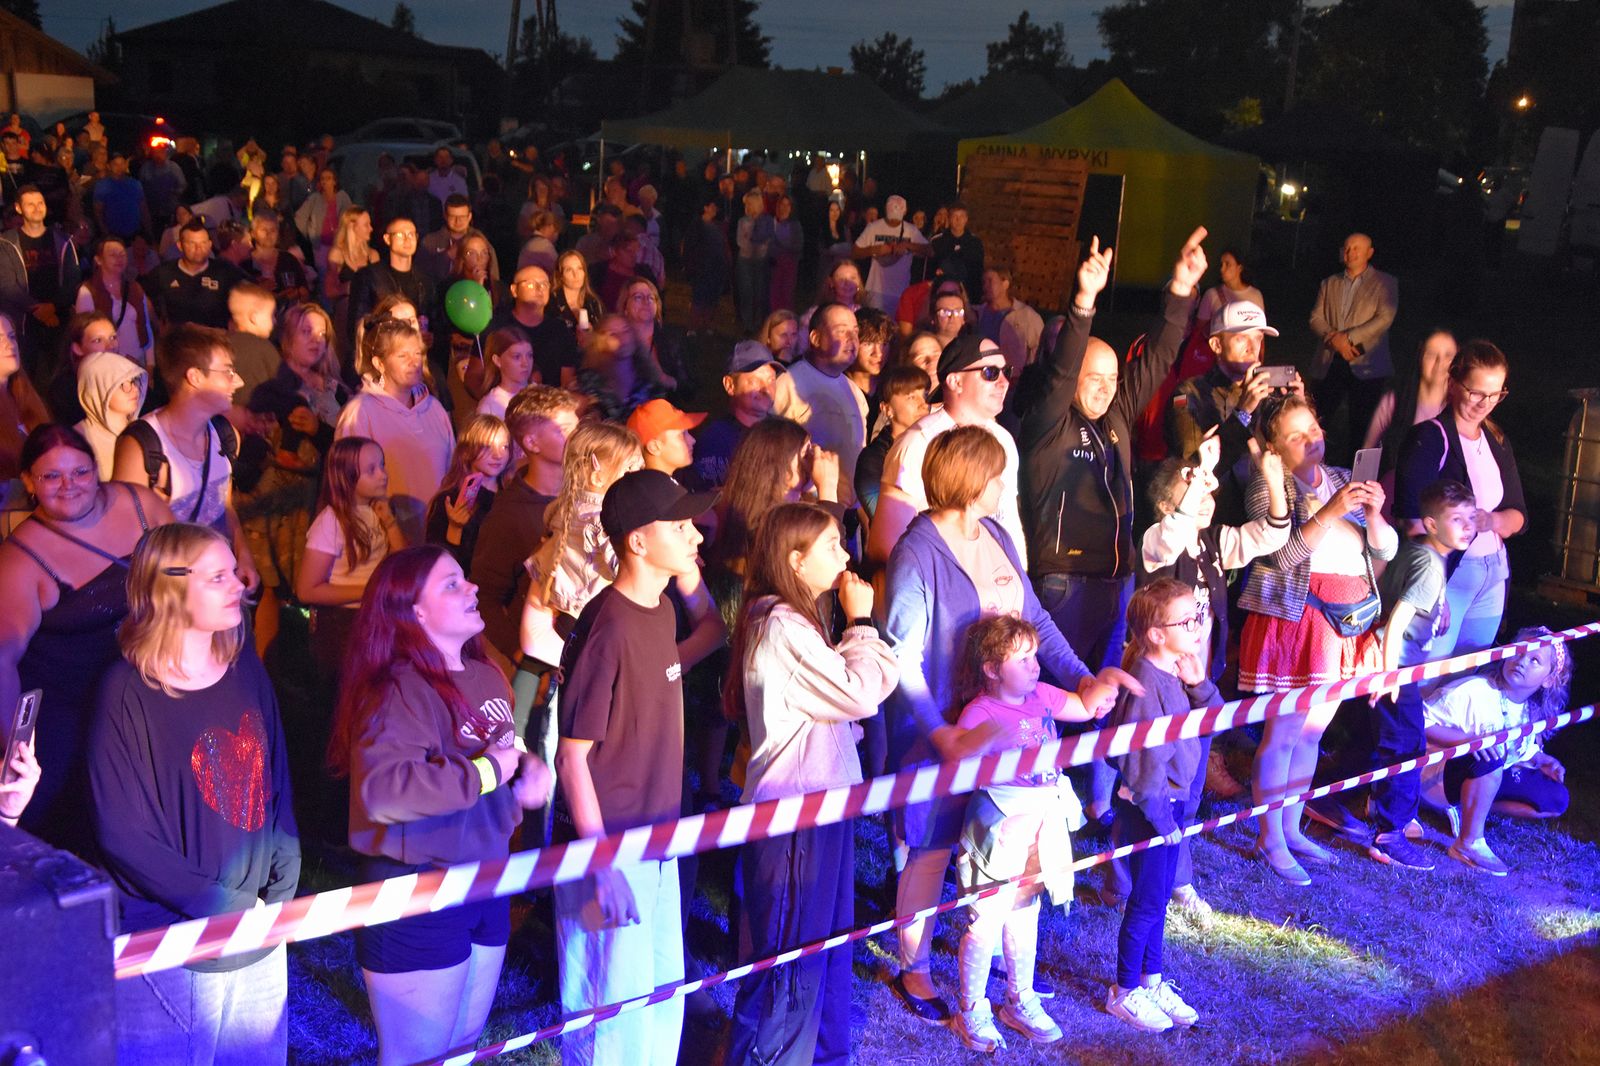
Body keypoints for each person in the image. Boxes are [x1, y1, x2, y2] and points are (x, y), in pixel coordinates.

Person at [882, 427, 1117, 1022]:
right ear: (970, 483)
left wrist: (1082, 678)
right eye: (995, 476)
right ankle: (915, 969)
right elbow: (901, 657)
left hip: (1007, 735)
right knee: (932, 847)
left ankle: (1003, 974)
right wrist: (941, 734)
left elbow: (1035, 618)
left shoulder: (997, 535)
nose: (1004, 486)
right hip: (944, 734)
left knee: (1008, 850)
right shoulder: (916, 553)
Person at [328, 546, 552, 1066]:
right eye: (451, 584)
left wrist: (525, 768)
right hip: (419, 889)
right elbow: (385, 791)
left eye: (465, 578)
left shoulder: (487, 672)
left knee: (460, 1050)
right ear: (414, 612)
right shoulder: (398, 689)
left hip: (487, 879)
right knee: (417, 1058)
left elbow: (499, 746)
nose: (472, 588)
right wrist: (490, 772)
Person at [89, 522, 300, 1064]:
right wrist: (223, 905)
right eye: (217, 577)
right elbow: (124, 835)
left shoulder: (243, 667)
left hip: (256, 928)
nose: (239, 585)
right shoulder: (125, 692)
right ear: (169, 587)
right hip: (173, 941)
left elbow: (274, 772)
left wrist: (284, 868)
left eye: (234, 572)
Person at [1019, 231, 1205, 826]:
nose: (1103, 388)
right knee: (1059, 693)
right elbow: (1061, 371)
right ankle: (1040, 799)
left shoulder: (1117, 416)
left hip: (1117, 582)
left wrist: (1180, 293)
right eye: (1091, 377)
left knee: (1113, 690)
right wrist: (1084, 304)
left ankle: (1100, 799)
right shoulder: (1048, 424)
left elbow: (1159, 358)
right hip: (1064, 584)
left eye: (1109, 379)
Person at [725, 503, 898, 1066]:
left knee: (823, 950)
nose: (846, 555)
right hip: (796, 818)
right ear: (795, 561)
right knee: (790, 965)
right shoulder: (781, 625)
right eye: (831, 546)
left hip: (822, 808)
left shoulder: (796, 619)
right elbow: (860, 692)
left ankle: (824, 1056)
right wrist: (862, 625)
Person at [553, 470, 712, 1065]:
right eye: (680, 525)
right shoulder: (611, 626)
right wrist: (602, 863)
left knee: (661, 992)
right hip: (614, 845)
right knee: (610, 1011)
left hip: (658, 839)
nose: (696, 535)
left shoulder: (663, 609)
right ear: (638, 542)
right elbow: (571, 756)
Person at [1119, 435, 1289, 909]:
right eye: (1193, 487)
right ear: (1166, 504)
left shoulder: (1214, 543)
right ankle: (1129, 873)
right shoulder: (1156, 541)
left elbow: (1271, 534)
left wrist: (1273, 481)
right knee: (1148, 780)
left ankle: (1176, 876)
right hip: (1158, 683)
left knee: (1190, 781)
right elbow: (1173, 533)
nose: (1206, 493)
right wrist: (1198, 475)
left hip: (1195, 680)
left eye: (1209, 488)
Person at [1236, 393, 1398, 885]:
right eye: (1295, 435)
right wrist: (1330, 511)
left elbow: (1385, 550)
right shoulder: (1271, 485)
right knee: (1284, 732)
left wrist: (1375, 514)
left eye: (1313, 428)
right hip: (1297, 616)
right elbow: (1280, 555)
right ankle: (1269, 837)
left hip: (1342, 621)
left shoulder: (1343, 478)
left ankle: (1291, 827)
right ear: (1274, 447)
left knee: (1313, 732)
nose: (1310, 440)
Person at [0, 425, 172, 853]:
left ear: (97, 469)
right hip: (67, 705)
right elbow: (2, 656)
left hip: (145, 686)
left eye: (79, 471)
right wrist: (12, 744)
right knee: (59, 822)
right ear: (29, 483)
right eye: (51, 476)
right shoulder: (22, 558)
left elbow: (189, 566)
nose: (69, 485)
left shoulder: (141, 503)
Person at [950, 616, 1099, 1050]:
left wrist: (1106, 682)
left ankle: (1019, 999)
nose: (1035, 666)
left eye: (1035, 656)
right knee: (986, 919)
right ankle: (971, 1010)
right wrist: (973, 743)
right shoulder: (979, 712)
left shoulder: (1043, 694)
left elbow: (1085, 707)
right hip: (1000, 826)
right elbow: (959, 761)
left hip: (1041, 825)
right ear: (992, 669)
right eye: (1023, 659)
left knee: (1024, 911)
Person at [1313, 479, 1478, 868]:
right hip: (1396, 669)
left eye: (1471, 518)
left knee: (1373, 742)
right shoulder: (1429, 565)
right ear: (1432, 524)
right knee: (1408, 750)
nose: (1468, 527)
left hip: (1382, 662)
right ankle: (1391, 835)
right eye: (1457, 519)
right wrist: (1389, 678)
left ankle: (1322, 797)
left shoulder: (1419, 549)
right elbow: (1399, 620)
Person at [1103, 578, 1213, 1034]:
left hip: (1170, 805)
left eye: (1198, 616)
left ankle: (1152, 981)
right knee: (1146, 902)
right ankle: (1125, 990)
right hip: (1151, 810)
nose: (1197, 626)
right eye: (1187, 621)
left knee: (1160, 898)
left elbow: (1210, 722)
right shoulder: (1147, 687)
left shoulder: (1173, 672)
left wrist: (1199, 685)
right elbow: (1142, 768)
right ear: (1155, 634)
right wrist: (1164, 820)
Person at [1394, 340, 1524, 659]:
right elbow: (1411, 519)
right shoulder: (1429, 437)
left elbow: (1519, 515)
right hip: (1449, 573)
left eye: (1495, 394)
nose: (1485, 403)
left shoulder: (1496, 439)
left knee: (1470, 667)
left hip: (1492, 573)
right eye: (1476, 392)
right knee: (1430, 671)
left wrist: (1492, 520)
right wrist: (1434, 588)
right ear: (1453, 383)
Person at [114, 324, 259, 590]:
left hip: (216, 579)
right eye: (228, 371)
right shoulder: (143, 445)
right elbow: (126, 534)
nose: (238, 381)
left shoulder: (226, 435)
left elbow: (223, 504)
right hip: (168, 588)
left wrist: (243, 554)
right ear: (195, 377)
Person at [1423, 629, 1572, 875]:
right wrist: (1468, 741)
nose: (1521, 661)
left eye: (1534, 660)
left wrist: (1539, 758)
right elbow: (1418, 723)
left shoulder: (1528, 710)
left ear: (1548, 679)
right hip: (1434, 780)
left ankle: (1469, 809)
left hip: (1481, 775)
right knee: (1490, 750)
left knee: (1555, 798)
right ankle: (1469, 844)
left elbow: (1519, 749)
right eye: (1519, 651)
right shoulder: (1473, 690)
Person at [868, 334, 1023, 566]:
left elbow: (1008, 522)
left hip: (995, 582)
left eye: (1006, 372)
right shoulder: (919, 442)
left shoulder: (1003, 440)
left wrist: (1019, 577)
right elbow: (885, 545)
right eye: (990, 373)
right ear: (955, 381)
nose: (1004, 382)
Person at [468, 385, 579, 677]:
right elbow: (485, 598)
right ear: (532, 442)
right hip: (547, 667)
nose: (577, 437)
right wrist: (521, 656)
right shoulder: (509, 515)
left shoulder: (585, 492)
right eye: (564, 430)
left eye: (577, 426)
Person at [335, 317, 454, 545]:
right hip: (388, 540)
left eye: (417, 353)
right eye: (402, 356)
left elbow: (451, 469)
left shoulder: (434, 408)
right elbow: (349, 482)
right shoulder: (360, 412)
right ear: (379, 364)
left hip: (436, 538)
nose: (414, 362)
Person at [1308, 232, 1399, 462]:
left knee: (1362, 425)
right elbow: (1316, 318)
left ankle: (1356, 470)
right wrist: (1334, 340)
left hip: (1366, 363)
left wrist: (1347, 339)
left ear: (1369, 252)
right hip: (1331, 361)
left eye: (1357, 248)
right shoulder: (1329, 283)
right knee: (1319, 417)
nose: (1351, 253)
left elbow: (1384, 318)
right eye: (1347, 248)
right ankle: (1313, 463)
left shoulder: (1385, 282)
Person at [773, 302, 867, 506]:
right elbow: (772, 451)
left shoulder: (855, 393)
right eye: (841, 331)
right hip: (807, 509)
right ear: (815, 338)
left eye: (855, 331)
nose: (852, 338)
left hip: (847, 511)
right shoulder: (790, 384)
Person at [1, 186, 83, 375]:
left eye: (40, 203)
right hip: (24, 324)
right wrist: (39, 310)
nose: (37, 208)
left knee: (59, 375)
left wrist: (52, 307)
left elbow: (72, 281)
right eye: (30, 204)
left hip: (58, 322)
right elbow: (7, 285)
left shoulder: (64, 240)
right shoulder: (6, 243)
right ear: (19, 208)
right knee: (26, 378)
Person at [685, 339, 783, 491]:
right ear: (730, 385)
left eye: (771, 380)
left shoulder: (784, 432)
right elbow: (711, 497)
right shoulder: (716, 439)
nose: (766, 389)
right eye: (755, 381)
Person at [425, 414, 510, 568]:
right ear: (465, 451)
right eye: (486, 446)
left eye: (504, 446)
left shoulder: (511, 494)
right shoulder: (450, 499)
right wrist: (455, 528)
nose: (498, 455)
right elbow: (438, 562)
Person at [346, 217, 437, 360]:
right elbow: (357, 324)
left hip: (416, 356)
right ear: (387, 239)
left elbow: (432, 318)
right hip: (381, 355)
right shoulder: (369, 276)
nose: (407, 239)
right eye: (400, 235)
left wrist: (431, 336)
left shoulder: (425, 281)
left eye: (411, 234)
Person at [854, 364, 930, 522]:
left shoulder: (936, 444)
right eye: (911, 397)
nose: (923, 403)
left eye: (925, 395)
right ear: (887, 409)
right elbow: (883, 517)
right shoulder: (873, 458)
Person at [141, 218, 243, 330]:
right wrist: (156, 323)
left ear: (210, 244)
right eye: (191, 243)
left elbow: (248, 292)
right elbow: (141, 294)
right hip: (180, 338)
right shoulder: (164, 272)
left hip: (216, 337)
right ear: (180, 246)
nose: (198, 248)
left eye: (203, 243)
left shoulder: (224, 270)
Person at [492, 264, 580, 390]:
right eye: (530, 284)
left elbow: (567, 382)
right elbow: (475, 376)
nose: (539, 289)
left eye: (544, 284)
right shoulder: (498, 326)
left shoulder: (560, 330)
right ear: (514, 290)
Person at [75, 235, 156, 370]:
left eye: (122, 254)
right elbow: (83, 335)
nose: (119, 259)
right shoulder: (88, 292)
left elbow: (145, 325)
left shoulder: (134, 288)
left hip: (138, 362)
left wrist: (151, 363)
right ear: (98, 260)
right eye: (112, 255)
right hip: (106, 365)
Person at [75, 352, 148, 478]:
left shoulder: (145, 428)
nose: (135, 389)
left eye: (133, 381)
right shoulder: (79, 439)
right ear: (98, 390)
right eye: (122, 384)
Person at [854, 195, 929, 313]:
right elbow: (854, 252)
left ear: (904, 212)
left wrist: (907, 245)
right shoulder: (874, 227)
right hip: (876, 290)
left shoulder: (911, 230)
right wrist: (874, 250)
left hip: (901, 291)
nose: (894, 221)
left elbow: (929, 250)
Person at [325, 207, 381, 356]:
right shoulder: (337, 254)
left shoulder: (373, 256)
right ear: (352, 227)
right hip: (345, 312)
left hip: (368, 313)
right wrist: (350, 288)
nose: (371, 228)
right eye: (366, 224)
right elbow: (329, 291)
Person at [44, 310, 116, 425]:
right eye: (98, 340)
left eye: (113, 337)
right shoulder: (64, 390)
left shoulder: (127, 378)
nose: (111, 346)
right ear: (77, 348)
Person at [975, 268, 1042, 378]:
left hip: (1015, 380)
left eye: (990, 281)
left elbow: (1039, 347)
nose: (985, 286)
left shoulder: (1026, 315)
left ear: (1005, 284)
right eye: (984, 282)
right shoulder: (979, 314)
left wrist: (1026, 375)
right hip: (985, 378)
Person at [628, 398, 703, 479]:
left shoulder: (678, 479)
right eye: (682, 435)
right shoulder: (658, 487)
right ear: (654, 447)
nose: (692, 440)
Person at [471, 328, 535, 424]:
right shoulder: (489, 407)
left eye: (529, 355)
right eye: (517, 357)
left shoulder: (542, 394)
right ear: (497, 360)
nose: (525, 363)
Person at [734, 189, 775, 332]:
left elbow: (769, 239)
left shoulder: (767, 220)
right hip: (745, 260)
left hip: (761, 260)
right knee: (746, 291)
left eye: (750, 204)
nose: (748, 207)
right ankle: (747, 322)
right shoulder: (743, 221)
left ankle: (758, 321)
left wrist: (755, 240)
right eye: (746, 205)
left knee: (759, 291)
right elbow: (740, 241)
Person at [929, 202, 984, 302]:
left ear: (966, 219)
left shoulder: (975, 243)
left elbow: (978, 272)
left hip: (969, 293)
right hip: (943, 292)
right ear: (949, 218)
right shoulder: (937, 241)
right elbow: (931, 270)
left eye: (961, 216)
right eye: (955, 216)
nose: (958, 220)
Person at [551, 249, 603, 342]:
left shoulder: (593, 302)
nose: (576, 274)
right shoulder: (551, 302)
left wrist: (593, 336)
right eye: (569, 270)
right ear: (560, 275)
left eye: (579, 268)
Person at [768, 195, 803, 314]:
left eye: (788, 205)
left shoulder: (795, 225)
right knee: (774, 294)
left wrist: (781, 243)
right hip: (774, 264)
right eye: (782, 204)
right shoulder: (772, 222)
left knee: (787, 294)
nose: (785, 207)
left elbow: (798, 245)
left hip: (789, 264)